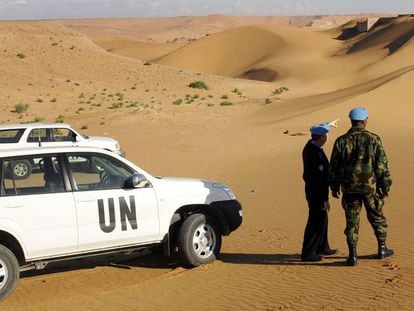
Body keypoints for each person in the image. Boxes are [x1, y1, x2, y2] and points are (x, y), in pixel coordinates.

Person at [329, 107, 394, 266]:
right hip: (370, 188)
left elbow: (334, 167)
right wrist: (385, 185)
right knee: (377, 217)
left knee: (352, 221)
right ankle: (382, 248)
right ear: (365, 120)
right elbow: (381, 166)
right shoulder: (374, 139)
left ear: (351, 121)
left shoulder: (341, 141)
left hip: (350, 188)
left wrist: (334, 186)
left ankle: (353, 256)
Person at [301, 121, 338, 262]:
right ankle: (308, 252)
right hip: (316, 192)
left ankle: (323, 247)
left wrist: (329, 123)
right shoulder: (314, 153)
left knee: (322, 219)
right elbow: (318, 180)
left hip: (316, 190)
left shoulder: (312, 145)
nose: (327, 137)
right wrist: (324, 198)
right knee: (315, 220)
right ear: (322, 137)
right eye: (326, 135)